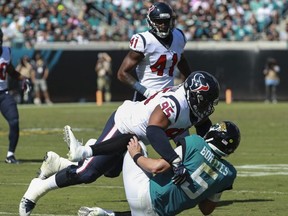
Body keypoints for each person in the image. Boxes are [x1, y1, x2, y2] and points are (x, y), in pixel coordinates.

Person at [19, 71, 220, 216]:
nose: (207, 107)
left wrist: (214, 150)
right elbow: (154, 130)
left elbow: (202, 128)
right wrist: (175, 161)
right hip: (124, 125)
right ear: (193, 96)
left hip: (136, 138)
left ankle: (68, 158)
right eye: (205, 101)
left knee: (112, 171)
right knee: (86, 174)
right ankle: (36, 189)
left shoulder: (194, 108)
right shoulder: (176, 103)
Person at [78, 120, 241, 216]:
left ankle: (94, 150)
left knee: (134, 138)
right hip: (160, 213)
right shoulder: (229, 174)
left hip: (142, 193)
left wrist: (136, 155)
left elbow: (156, 167)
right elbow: (206, 209)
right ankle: (106, 214)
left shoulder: (196, 143)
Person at [117, 2, 191, 102]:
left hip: (169, 96)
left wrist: (190, 81)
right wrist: (147, 92)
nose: (163, 25)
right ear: (151, 21)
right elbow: (122, 73)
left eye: (165, 21)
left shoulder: (178, 36)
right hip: (145, 96)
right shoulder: (144, 41)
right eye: (159, 21)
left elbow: (181, 60)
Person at [0, 29, 31, 164]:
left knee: (14, 121)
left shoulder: (6, 51)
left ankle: (10, 155)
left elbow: (10, 70)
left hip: (3, 94)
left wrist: (23, 78)